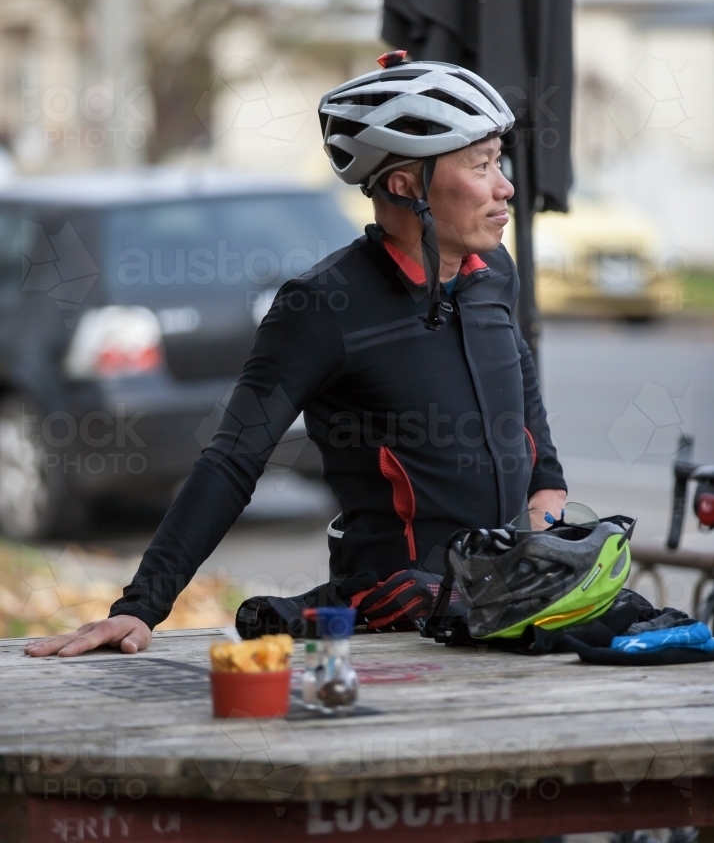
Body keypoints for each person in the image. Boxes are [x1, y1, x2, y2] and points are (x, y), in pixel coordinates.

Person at [26, 55, 566, 658]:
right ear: (404, 184)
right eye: (481, 164)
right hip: (390, 631)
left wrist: (547, 487)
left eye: (499, 161)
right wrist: (140, 606)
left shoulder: (493, 272)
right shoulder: (323, 306)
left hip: (506, 606)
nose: (505, 186)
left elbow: (518, 380)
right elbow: (233, 459)